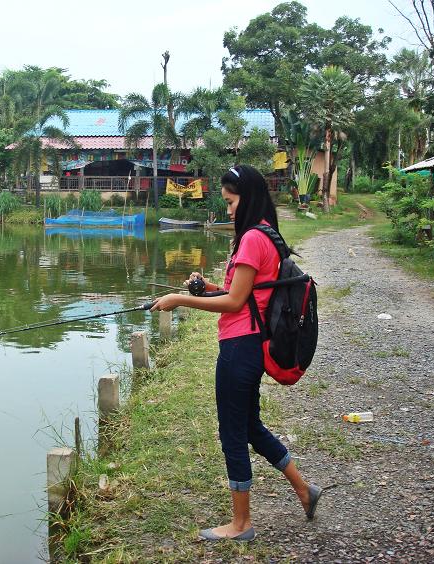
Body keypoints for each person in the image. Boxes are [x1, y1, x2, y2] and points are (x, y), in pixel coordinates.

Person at [150, 164, 322, 542]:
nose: (228, 210)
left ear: (249, 198)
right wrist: (204, 286)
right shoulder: (267, 235)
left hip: (240, 346)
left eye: (230, 202)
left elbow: (234, 303)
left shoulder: (251, 240)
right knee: (249, 427)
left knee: (232, 432)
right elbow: (246, 293)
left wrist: (179, 300)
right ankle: (304, 490)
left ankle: (241, 524)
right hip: (250, 343)